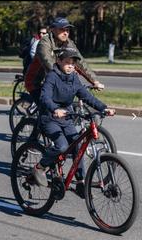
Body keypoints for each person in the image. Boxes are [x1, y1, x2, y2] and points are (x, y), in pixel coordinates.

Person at [32, 48, 115, 198]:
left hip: (66, 119)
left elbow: (86, 96)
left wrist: (104, 108)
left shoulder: (73, 78)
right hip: (49, 118)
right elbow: (45, 97)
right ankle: (40, 167)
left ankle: (80, 182)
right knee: (62, 146)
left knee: (77, 145)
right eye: (67, 62)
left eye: (73, 63)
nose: (70, 66)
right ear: (58, 61)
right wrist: (54, 108)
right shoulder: (52, 76)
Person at [24, 17, 105, 105]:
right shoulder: (44, 43)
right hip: (37, 83)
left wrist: (94, 81)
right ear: (53, 30)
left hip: (58, 82)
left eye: (67, 30)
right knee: (48, 110)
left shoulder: (69, 43)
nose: (65, 33)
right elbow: (49, 64)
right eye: (62, 29)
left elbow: (80, 62)